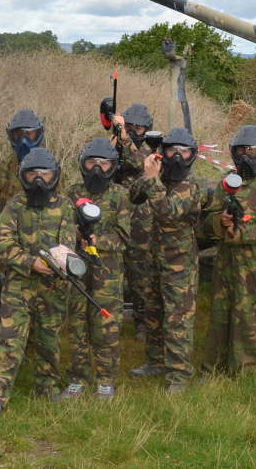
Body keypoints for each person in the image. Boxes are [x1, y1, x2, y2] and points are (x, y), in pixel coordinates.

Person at [0, 148, 75, 415]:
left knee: (49, 339)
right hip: (19, 286)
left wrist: (58, 263)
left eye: (45, 174)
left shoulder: (65, 206)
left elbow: (68, 242)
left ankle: (47, 388)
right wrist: (29, 262)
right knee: (10, 338)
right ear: (23, 176)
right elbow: (2, 241)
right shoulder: (15, 206)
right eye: (32, 173)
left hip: (54, 286)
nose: (38, 180)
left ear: (54, 176)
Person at [128, 128, 206, 394]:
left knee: (178, 319)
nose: (178, 156)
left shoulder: (189, 185)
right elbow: (134, 195)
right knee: (154, 312)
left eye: (184, 152)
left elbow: (165, 213)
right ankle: (156, 362)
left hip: (180, 264)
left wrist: (152, 180)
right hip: (156, 259)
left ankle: (179, 375)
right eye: (173, 150)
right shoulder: (163, 178)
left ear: (192, 154)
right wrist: (149, 171)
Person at [202, 125, 256, 377]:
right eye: (240, 150)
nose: (246, 155)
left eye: (252, 150)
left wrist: (241, 233)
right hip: (225, 260)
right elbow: (207, 221)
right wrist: (222, 221)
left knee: (251, 313)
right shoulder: (227, 182)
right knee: (221, 313)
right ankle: (213, 368)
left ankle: (250, 371)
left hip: (254, 262)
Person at [61, 138, 131, 400]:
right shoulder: (71, 193)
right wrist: (74, 235)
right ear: (83, 164)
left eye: (104, 164)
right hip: (76, 269)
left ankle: (105, 379)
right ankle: (78, 377)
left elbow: (125, 238)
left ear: (113, 166)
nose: (97, 169)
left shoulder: (120, 196)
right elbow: (59, 231)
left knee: (106, 325)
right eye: (92, 162)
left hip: (107, 273)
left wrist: (95, 241)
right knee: (77, 324)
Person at [0, 110, 61, 270]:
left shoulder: (50, 167)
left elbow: (59, 207)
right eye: (18, 134)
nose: (24, 140)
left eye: (30, 134)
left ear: (38, 135)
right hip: (9, 235)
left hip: (40, 237)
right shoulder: (6, 165)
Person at [110, 104, 154, 342]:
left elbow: (137, 164)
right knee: (110, 274)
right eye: (128, 127)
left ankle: (142, 323)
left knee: (139, 277)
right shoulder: (116, 145)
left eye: (138, 128)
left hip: (140, 221)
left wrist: (125, 139)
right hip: (115, 218)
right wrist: (111, 145)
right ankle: (109, 321)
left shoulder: (149, 151)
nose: (133, 131)